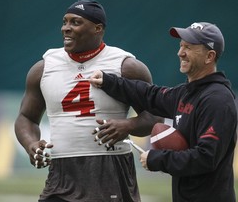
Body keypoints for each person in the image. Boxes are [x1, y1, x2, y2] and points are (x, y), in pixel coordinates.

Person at [14, 0, 162, 202]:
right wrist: (31, 144)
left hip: (110, 169)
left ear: (97, 28)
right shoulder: (43, 68)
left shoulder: (126, 67)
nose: (66, 28)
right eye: (65, 22)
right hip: (61, 172)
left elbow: (155, 117)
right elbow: (26, 117)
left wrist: (127, 126)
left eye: (75, 22)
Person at [89, 22, 237, 202]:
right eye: (181, 46)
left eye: (189, 47)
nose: (180, 53)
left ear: (209, 56)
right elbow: (149, 94)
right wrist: (108, 81)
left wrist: (156, 159)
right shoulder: (186, 92)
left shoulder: (217, 99)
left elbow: (206, 157)